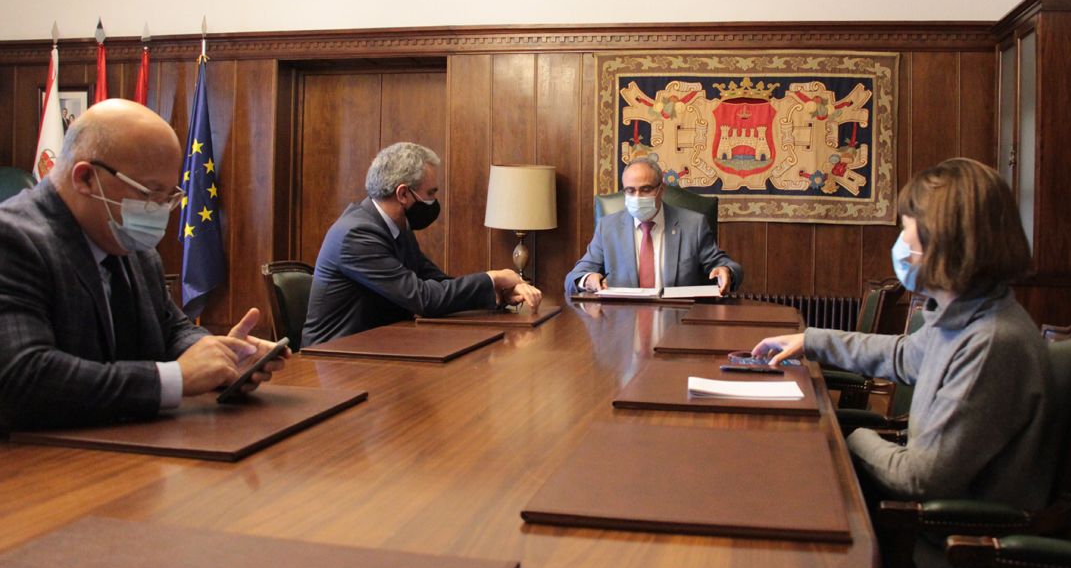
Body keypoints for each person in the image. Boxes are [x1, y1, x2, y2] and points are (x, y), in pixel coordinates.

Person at [752, 158, 1054, 568]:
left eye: (906, 230)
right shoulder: (966, 313)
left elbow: (919, 478)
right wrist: (810, 340)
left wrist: (847, 434)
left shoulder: (990, 341)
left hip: (944, 561)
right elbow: (903, 354)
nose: (900, 245)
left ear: (945, 242)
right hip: (917, 530)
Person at [0, 99, 287, 431]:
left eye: (169, 196)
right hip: (33, 465)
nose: (160, 211)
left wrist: (221, 356)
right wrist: (174, 379)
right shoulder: (13, 239)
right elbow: (22, 379)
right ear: (85, 178)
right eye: (149, 193)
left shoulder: (128, 242)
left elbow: (169, 329)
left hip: (125, 450)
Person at [302, 142, 541, 346]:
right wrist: (493, 277)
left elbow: (437, 282)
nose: (434, 201)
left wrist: (499, 292)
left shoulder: (397, 226)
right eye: (431, 193)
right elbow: (424, 298)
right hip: (334, 358)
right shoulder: (356, 235)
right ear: (403, 194)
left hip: (382, 346)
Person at [563, 158, 742, 296]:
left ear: (661, 189)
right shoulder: (608, 227)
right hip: (622, 322)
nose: (638, 196)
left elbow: (727, 266)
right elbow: (573, 278)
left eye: (646, 189)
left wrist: (726, 272)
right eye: (630, 190)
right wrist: (587, 280)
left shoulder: (693, 225)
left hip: (679, 320)